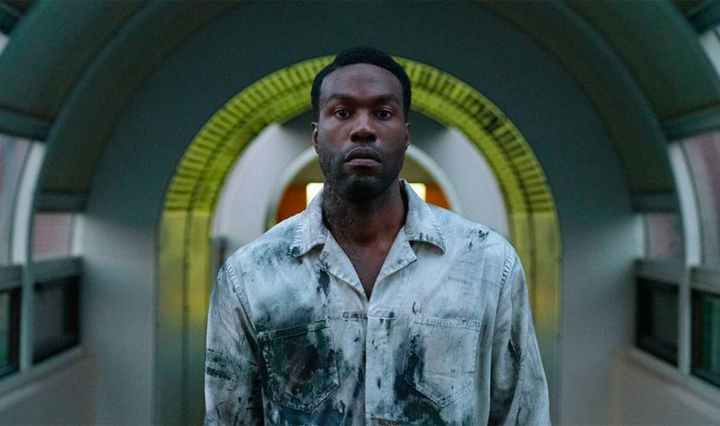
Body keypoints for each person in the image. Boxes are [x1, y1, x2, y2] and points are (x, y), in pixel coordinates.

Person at [204, 46, 550, 425]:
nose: (363, 128)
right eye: (343, 112)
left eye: (383, 113)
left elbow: (523, 414)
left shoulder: (486, 264)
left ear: (405, 135)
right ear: (317, 137)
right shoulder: (251, 275)